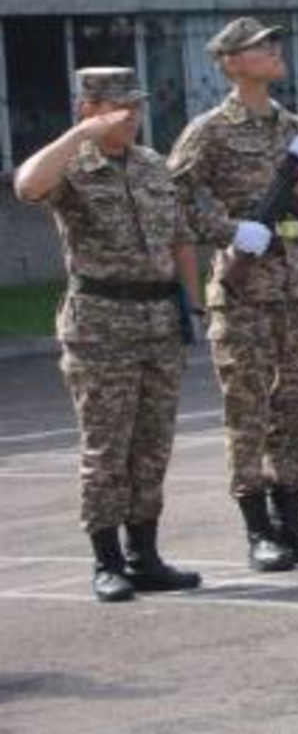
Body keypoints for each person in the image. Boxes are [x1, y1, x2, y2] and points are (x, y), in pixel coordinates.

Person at [168, 17, 298, 571]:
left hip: (293, 287)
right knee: (249, 409)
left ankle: (291, 523)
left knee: (296, 408)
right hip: (243, 290)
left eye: (274, 43)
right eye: (259, 46)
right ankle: (258, 532)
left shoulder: (294, 127)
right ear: (229, 62)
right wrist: (228, 231)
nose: (274, 50)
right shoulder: (209, 129)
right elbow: (172, 199)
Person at [16, 67, 204, 601]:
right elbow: (28, 184)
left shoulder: (151, 165)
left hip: (158, 320)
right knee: (107, 448)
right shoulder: (73, 165)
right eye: (119, 108)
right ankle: (107, 562)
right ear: (90, 109)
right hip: (101, 321)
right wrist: (79, 138)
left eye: (137, 106)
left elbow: (180, 240)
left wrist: (194, 307)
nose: (131, 117)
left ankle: (145, 555)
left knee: (151, 446)